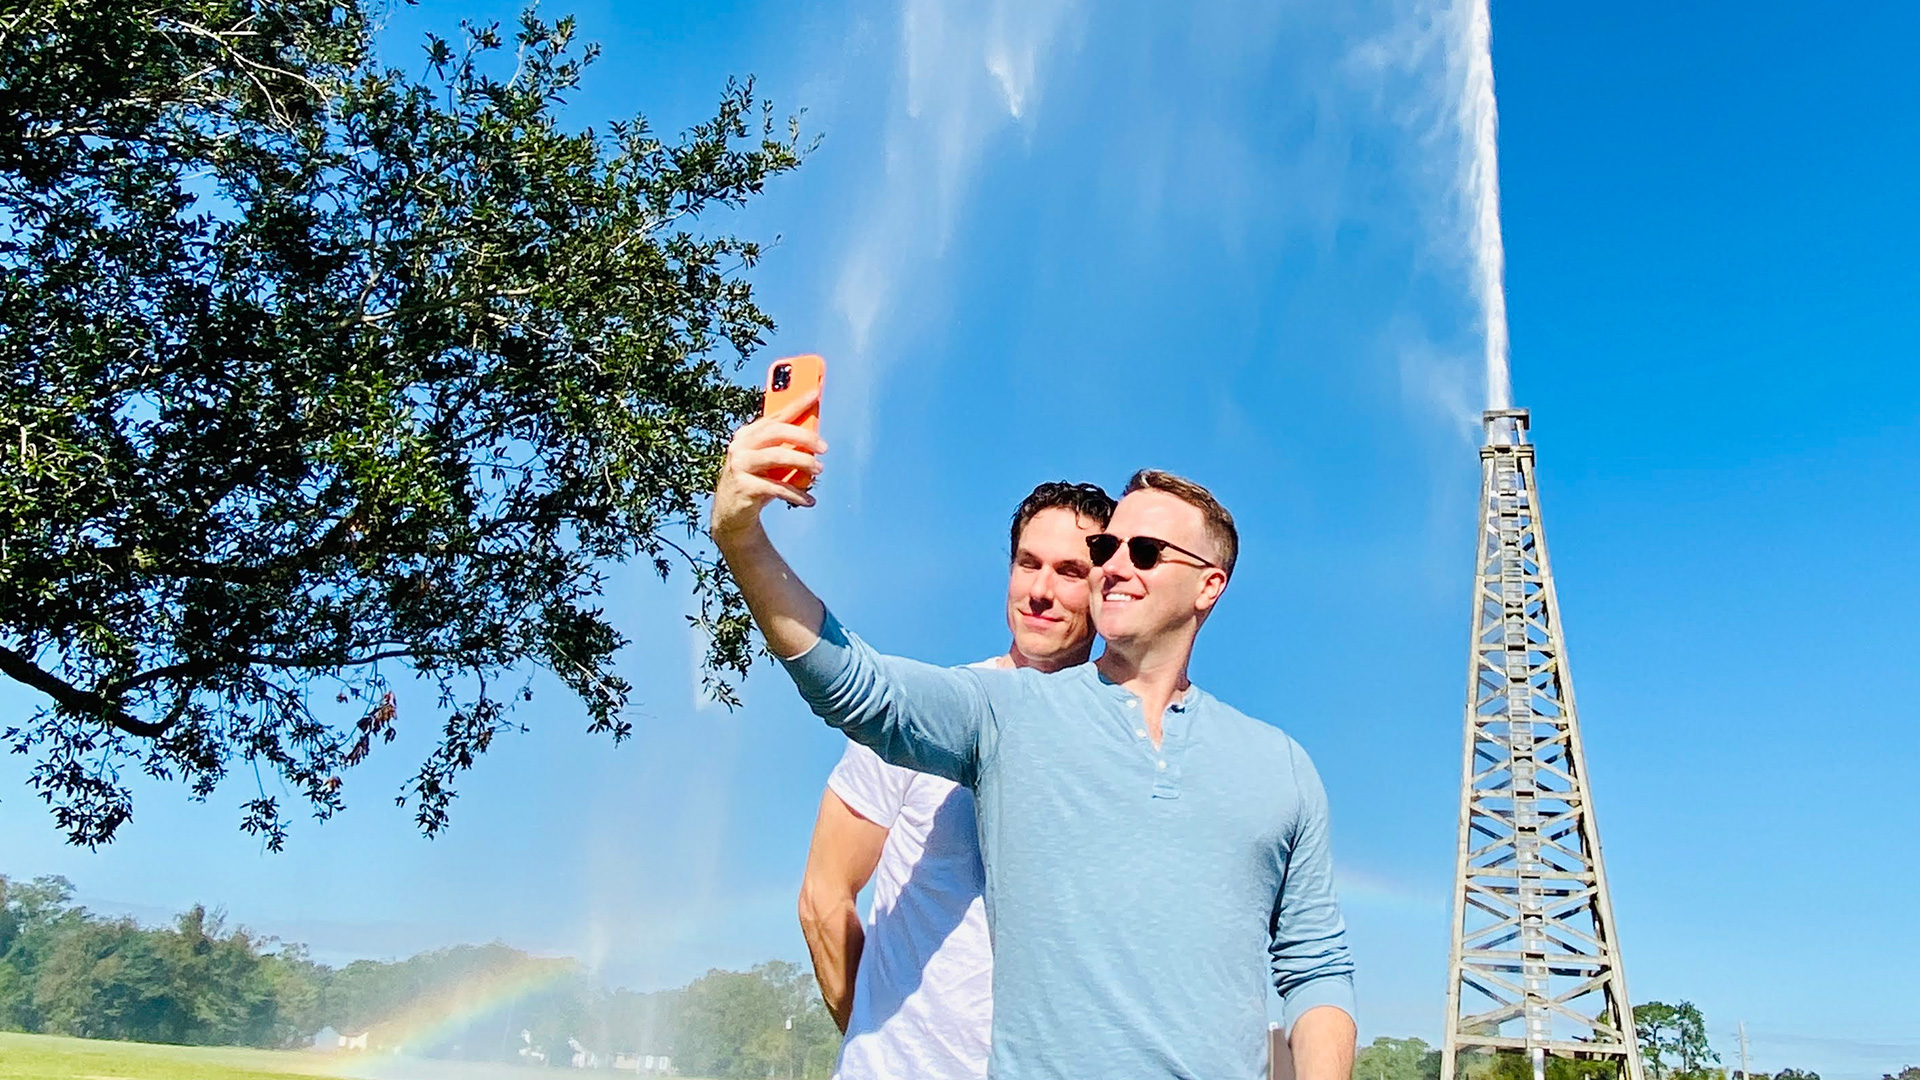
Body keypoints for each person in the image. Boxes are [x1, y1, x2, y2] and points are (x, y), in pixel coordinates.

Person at [711, 391, 1356, 1080]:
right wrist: (743, 539)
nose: (1112, 566)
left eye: (1142, 551)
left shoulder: (1281, 768)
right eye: (1106, 549)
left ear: (1210, 586)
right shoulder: (1003, 713)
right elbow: (857, 687)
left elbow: (1316, 966)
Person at [798, 481, 1115, 1080]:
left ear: (1106, 587)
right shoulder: (926, 713)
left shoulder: (1125, 745)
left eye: (1070, 571)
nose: (1040, 591)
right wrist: (875, 1041)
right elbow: (823, 897)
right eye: (1028, 564)